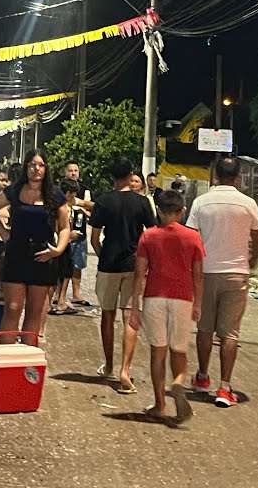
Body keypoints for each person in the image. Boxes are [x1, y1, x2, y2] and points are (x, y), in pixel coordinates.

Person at [185, 156, 258, 407]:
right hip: (236, 273)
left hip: (206, 273)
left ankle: (202, 376)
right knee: (230, 333)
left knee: (205, 329)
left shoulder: (201, 202)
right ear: (238, 177)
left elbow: (191, 238)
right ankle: (225, 387)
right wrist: (253, 259)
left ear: (215, 176)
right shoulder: (248, 203)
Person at [127, 190, 203, 424]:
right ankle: (178, 382)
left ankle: (160, 404)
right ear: (183, 211)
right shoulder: (193, 237)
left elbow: (140, 274)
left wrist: (135, 306)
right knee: (179, 350)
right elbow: (198, 275)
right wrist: (198, 303)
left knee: (157, 352)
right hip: (182, 298)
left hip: (154, 298)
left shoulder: (148, 236)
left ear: (158, 211)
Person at [0, 148, 71, 341]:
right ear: (26, 167)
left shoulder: (55, 194)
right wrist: (3, 233)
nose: (37, 169)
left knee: (34, 311)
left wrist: (58, 250)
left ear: (46, 168)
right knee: (13, 308)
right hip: (16, 252)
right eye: (33, 165)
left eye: (41, 165)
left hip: (43, 254)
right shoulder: (14, 190)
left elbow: (65, 227)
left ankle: (27, 362)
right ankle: (6, 358)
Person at [89, 156, 157, 394]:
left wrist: (103, 256)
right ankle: (125, 371)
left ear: (112, 176)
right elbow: (152, 234)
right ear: (130, 176)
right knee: (130, 317)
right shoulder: (142, 203)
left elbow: (94, 238)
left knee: (107, 316)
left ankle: (108, 365)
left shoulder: (103, 201)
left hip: (108, 264)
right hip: (134, 265)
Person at [50, 179, 87, 315]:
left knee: (65, 272)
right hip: (60, 243)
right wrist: (69, 234)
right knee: (62, 273)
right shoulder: (60, 206)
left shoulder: (60, 204)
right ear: (68, 193)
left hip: (61, 243)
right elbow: (56, 225)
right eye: (72, 194)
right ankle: (59, 302)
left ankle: (58, 300)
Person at [61, 162, 94, 306]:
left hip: (80, 232)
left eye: (76, 170)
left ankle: (76, 294)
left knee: (77, 265)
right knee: (61, 266)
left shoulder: (85, 190)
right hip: (63, 234)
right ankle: (58, 296)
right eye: (70, 170)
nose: (73, 173)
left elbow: (89, 207)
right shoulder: (60, 191)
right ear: (65, 172)